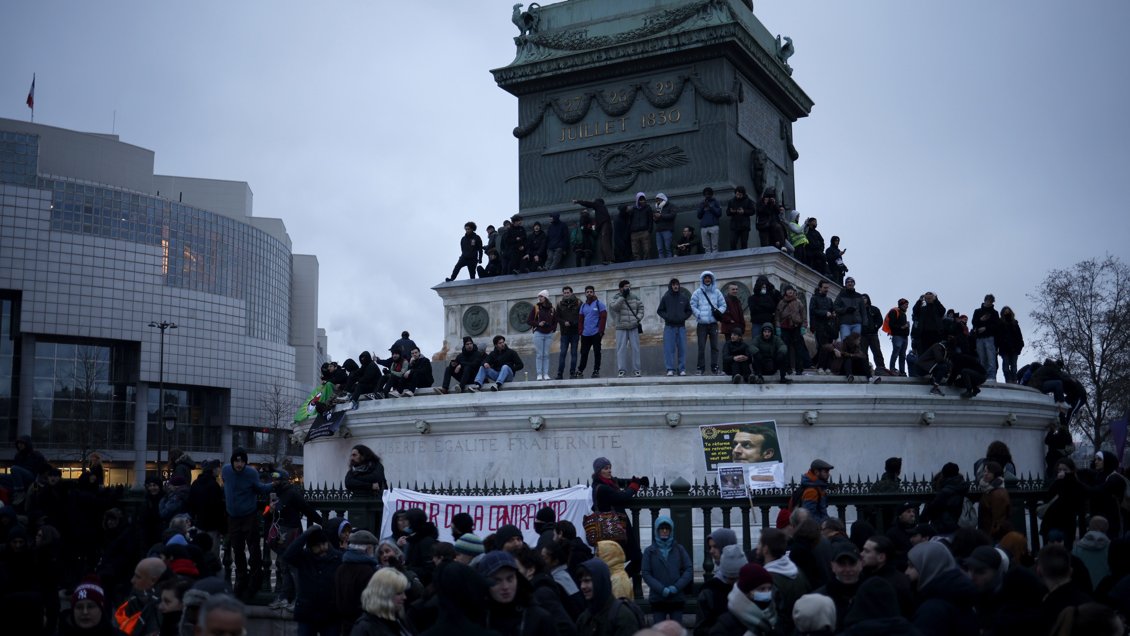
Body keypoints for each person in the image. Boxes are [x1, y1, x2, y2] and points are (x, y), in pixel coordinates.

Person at [221, 448, 272, 601]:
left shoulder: (251, 473)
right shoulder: (226, 471)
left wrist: (274, 484)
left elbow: (260, 488)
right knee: (237, 548)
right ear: (232, 461)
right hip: (233, 517)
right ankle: (242, 577)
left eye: (242, 461)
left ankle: (255, 577)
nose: (239, 464)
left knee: (253, 547)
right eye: (237, 461)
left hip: (249, 515)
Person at [474, 550, 557, 636]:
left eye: (510, 579)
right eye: (497, 581)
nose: (505, 587)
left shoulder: (539, 618)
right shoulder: (476, 619)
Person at [590, 457, 646, 579]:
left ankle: (616, 582)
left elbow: (619, 482)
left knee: (626, 560)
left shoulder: (606, 483)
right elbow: (622, 496)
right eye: (606, 468)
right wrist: (635, 486)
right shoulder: (603, 488)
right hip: (615, 528)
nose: (609, 470)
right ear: (599, 471)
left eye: (610, 468)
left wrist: (638, 480)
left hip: (616, 528)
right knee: (637, 559)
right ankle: (618, 582)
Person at [283, 526, 343, 635]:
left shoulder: (338, 558)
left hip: (330, 614)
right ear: (311, 547)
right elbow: (288, 555)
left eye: (323, 544)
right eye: (317, 546)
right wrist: (305, 535)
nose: (322, 548)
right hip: (307, 613)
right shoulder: (304, 557)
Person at [641, 516, 692, 625]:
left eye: (667, 529)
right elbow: (646, 573)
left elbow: (688, 570)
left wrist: (676, 587)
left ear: (671, 530)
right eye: (661, 528)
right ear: (656, 530)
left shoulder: (679, 549)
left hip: (676, 598)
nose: (664, 531)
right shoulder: (649, 551)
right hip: (658, 598)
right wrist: (661, 589)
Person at [759, 528, 811, 636]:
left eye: (760, 543)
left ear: (766, 549)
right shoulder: (797, 571)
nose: (757, 547)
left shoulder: (768, 580)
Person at [574, 558, 643, 636]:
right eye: (581, 581)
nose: (582, 586)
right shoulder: (584, 619)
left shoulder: (623, 616)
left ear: (600, 581)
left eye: (587, 581)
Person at [713, 562, 779, 635]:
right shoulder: (726, 625)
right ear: (747, 592)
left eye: (769, 588)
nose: (767, 592)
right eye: (762, 589)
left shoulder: (775, 618)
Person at [694, 543, 745, 635]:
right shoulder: (709, 591)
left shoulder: (748, 587)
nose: (735, 583)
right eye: (731, 578)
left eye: (738, 578)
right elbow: (700, 629)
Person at [350, 567, 415, 636]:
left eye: (404, 592)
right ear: (384, 595)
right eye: (399, 593)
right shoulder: (365, 628)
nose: (404, 597)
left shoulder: (399, 619)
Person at [1041, 458, 1087, 551]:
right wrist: (1058, 482)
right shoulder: (1056, 483)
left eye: (1065, 470)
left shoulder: (1076, 485)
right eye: (1059, 470)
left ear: (1071, 471)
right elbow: (1047, 497)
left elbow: (1077, 505)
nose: (1062, 472)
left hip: (1067, 526)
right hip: (1050, 524)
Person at [690, 271, 726, 375]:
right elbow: (692, 305)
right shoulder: (697, 292)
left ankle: (715, 368)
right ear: (702, 280)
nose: (707, 280)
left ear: (712, 279)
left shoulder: (717, 292)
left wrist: (718, 312)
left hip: (713, 323)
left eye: (709, 278)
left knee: (715, 347)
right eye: (705, 278)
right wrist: (699, 314)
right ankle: (700, 368)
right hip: (702, 324)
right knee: (701, 347)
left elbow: (723, 305)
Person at [344, 444, 387, 529]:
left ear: (363, 455)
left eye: (354, 455)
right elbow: (348, 483)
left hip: (375, 504)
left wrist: (356, 477)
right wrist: (370, 485)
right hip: (358, 505)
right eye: (351, 455)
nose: (352, 458)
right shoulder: (353, 469)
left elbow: (376, 477)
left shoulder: (377, 466)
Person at [656, 278, 692, 376]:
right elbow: (660, 310)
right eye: (673, 285)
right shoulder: (666, 298)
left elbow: (689, 310)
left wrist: (683, 317)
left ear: (679, 286)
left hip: (681, 327)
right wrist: (667, 317)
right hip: (669, 327)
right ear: (670, 286)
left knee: (682, 349)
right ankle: (670, 369)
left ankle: (682, 369)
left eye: (677, 284)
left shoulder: (684, 298)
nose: (675, 286)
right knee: (669, 349)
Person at [608, 279, 643, 377]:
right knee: (621, 349)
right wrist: (622, 297)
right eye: (626, 287)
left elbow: (641, 308)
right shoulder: (615, 297)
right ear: (621, 288)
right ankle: (621, 370)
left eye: (629, 286)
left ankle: (637, 370)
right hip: (621, 327)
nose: (628, 288)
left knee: (635, 349)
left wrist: (638, 318)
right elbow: (614, 308)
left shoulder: (634, 296)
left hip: (633, 326)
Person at [775, 285, 807, 375]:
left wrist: (804, 326)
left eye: (791, 290)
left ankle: (799, 369)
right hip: (784, 328)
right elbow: (777, 316)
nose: (790, 291)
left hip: (796, 327)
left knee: (799, 349)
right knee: (786, 349)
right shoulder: (781, 302)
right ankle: (787, 368)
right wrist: (778, 327)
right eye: (788, 290)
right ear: (785, 292)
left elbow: (803, 315)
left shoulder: (798, 302)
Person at [577, 285, 608, 378]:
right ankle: (580, 370)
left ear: (594, 293)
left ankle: (596, 370)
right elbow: (580, 320)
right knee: (584, 353)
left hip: (596, 333)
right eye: (587, 292)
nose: (589, 293)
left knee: (597, 352)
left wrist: (601, 331)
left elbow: (603, 318)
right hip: (585, 334)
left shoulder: (599, 304)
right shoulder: (583, 306)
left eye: (591, 291)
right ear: (585, 293)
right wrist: (580, 331)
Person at [572, 197, 613, 265]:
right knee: (603, 243)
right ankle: (606, 259)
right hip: (585, 242)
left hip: (586, 242)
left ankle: (608, 259)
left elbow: (587, 203)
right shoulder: (597, 216)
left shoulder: (598, 205)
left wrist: (577, 201)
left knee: (604, 243)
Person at [527, 290, 558, 381]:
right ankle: (539, 374)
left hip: (549, 334)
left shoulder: (552, 308)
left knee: (546, 354)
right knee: (540, 354)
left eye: (541, 296)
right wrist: (538, 324)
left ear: (546, 298)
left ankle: (546, 374)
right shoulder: (536, 307)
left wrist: (553, 328)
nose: (539, 298)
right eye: (539, 297)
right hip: (538, 333)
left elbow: (555, 321)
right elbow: (529, 321)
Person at [971, 293, 1000, 381]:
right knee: (981, 358)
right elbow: (973, 323)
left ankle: (991, 377)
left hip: (990, 338)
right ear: (985, 300)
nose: (989, 303)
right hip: (979, 338)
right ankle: (982, 376)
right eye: (987, 301)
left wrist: (986, 328)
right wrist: (980, 320)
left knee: (991, 358)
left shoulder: (995, 313)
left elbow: (996, 326)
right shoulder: (977, 311)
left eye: (991, 301)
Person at [556, 286, 582, 379]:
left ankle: (572, 372)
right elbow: (557, 317)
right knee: (562, 353)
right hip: (564, 333)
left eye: (568, 292)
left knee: (574, 353)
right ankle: (560, 373)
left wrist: (572, 323)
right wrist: (564, 322)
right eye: (565, 293)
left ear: (571, 293)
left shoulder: (578, 303)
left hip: (575, 332)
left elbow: (581, 317)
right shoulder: (559, 304)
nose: (566, 294)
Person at [995, 306, 1024, 383]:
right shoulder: (1000, 323)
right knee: (1006, 366)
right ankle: (1008, 380)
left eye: (1008, 311)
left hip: (1014, 348)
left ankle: (1014, 380)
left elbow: (1019, 336)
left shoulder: (1014, 323)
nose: (1007, 313)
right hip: (1004, 348)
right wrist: (997, 347)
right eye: (1005, 312)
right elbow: (998, 336)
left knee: (1014, 366)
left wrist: (1020, 346)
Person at [885, 298, 910, 376]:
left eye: (907, 305)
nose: (907, 306)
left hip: (904, 337)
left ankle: (902, 371)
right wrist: (902, 327)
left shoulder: (903, 313)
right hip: (897, 336)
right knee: (896, 353)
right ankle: (892, 369)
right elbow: (891, 325)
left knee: (902, 354)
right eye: (906, 305)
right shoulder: (894, 311)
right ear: (901, 304)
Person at [726, 186, 754, 250]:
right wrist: (733, 211)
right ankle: (733, 257)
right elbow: (727, 212)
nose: (738, 196)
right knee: (732, 242)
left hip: (744, 225)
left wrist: (744, 211)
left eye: (740, 195)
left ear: (743, 194)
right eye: (737, 194)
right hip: (734, 225)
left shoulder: (748, 201)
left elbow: (752, 211)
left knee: (744, 243)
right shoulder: (731, 201)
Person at [696, 187, 722, 255]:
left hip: (714, 225)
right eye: (705, 194)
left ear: (711, 194)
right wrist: (702, 207)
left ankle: (715, 258)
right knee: (706, 247)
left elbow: (719, 213)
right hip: (704, 226)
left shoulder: (716, 202)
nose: (707, 196)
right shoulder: (701, 203)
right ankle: (708, 260)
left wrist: (710, 207)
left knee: (715, 246)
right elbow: (699, 216)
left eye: (708, 194)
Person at [652, 193, 677, 258]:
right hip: (658, 230)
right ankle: (661, 263)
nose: (658, 202)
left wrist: (661, 216)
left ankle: (670, 263)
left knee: (668, 248)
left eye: (659, 200)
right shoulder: (657, 208)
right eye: (656, 200)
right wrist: (655, 219)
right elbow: (657, 221)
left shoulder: (671, 206)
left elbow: (672, 215)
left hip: (667, 230)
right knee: (660, 249)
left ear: (663, 199)